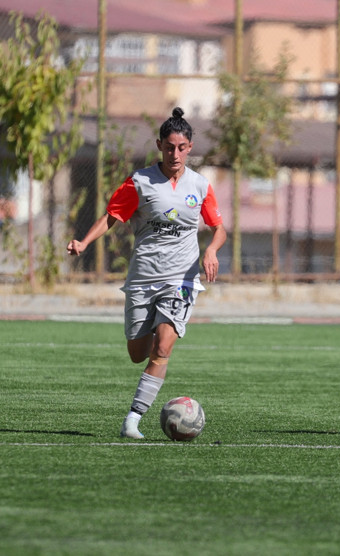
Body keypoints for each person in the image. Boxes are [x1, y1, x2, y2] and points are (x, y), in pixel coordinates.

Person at [67, 107, 227, 439]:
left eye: (182, 148)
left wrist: (211, 249)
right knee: (137, 353)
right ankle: (156, 332)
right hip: (143, 278)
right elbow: (112, 216)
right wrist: (83, 242)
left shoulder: (200, 185)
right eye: (170, 147)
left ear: (190, 148)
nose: (176, 154)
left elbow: (219, 228)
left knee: (163, 347)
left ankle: (132, 420)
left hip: (181, 280)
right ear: (159, 145)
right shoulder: (140, 181)